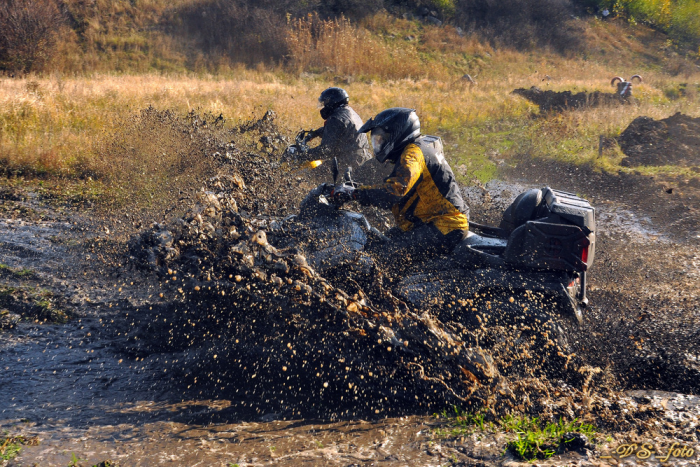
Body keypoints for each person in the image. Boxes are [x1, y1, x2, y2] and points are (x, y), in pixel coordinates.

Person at [331, 107, 469, 267]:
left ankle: (387, 292)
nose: (378, 143)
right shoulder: (416, 147)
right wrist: (357, 187)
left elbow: (395, 192)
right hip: (426, 223)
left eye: (382, 138)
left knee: (378, 260)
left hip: (444, 225)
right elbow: (396, 184)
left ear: (398, 133)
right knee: (371, 247)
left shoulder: (413, 155)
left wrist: (355, 194)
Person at [305, 87, 389, 185]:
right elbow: (338, 131)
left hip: (348, 162)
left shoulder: (336, 118)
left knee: (309, 178)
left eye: (325, 103)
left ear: (332, 103)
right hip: (363, 158)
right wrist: (315, 133)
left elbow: (326, 151)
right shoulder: (349, 112)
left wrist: (304, 155)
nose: (324, 107)